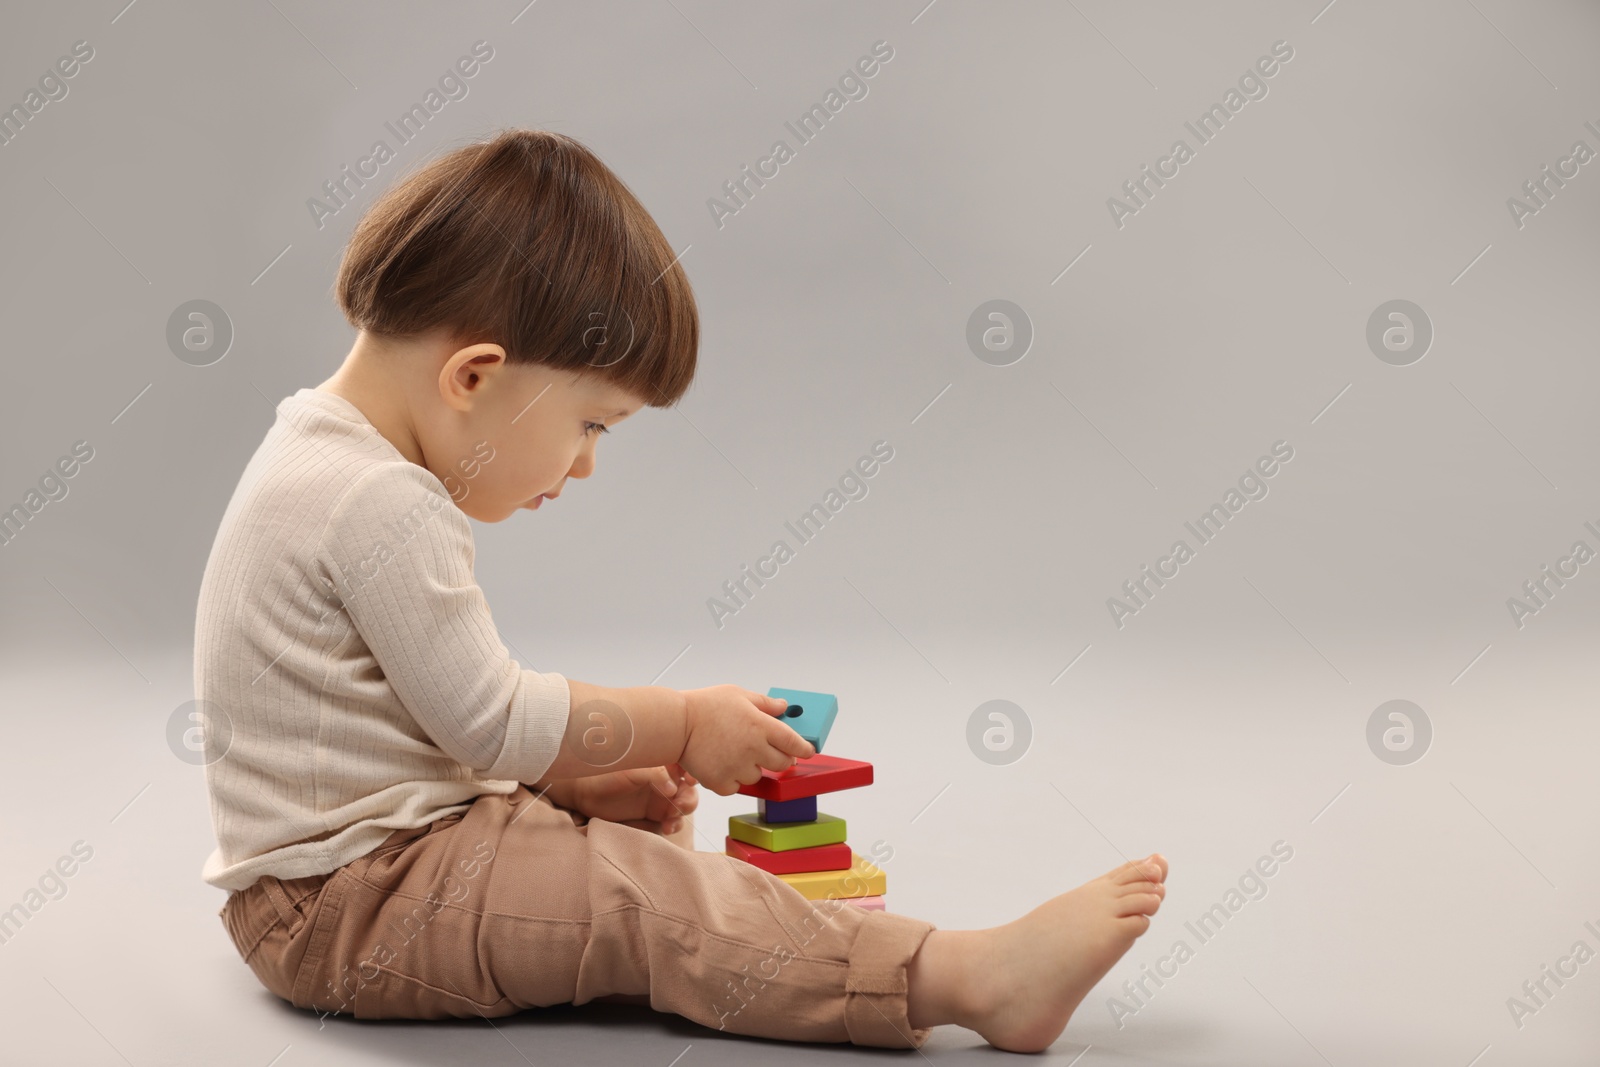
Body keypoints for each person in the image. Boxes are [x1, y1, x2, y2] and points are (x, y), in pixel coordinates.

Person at [197, 127, 1168, 1052]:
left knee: (627, 862)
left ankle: (755, 936)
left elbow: (394, 729)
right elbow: (490, 721)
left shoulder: (320, 457)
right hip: (347, 911)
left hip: (349, 877)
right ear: (475, 375)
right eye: (592, 424)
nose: (582, 466)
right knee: (648, 899)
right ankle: (963, 977)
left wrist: (567, 780)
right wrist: (681, 721)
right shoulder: (380, 501)